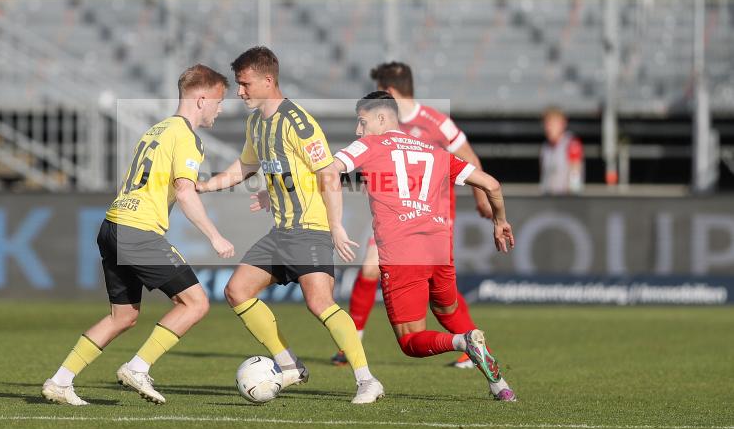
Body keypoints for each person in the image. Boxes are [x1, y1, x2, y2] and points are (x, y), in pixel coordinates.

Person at [197, 46, 385, 404]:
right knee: (237, 291)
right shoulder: (256, 123)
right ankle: (289, 365)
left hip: (309, 228)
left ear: (268, 81)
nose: (240, 92)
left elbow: (328, 174)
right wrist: (205, 185)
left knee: (319, 303)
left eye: (245, 83)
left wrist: (336, 227)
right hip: (280, 231)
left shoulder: (298, 123)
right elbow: (246, 167)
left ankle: (367, 380)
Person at [41, 64, 235, 406]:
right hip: (138, 230)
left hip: (113, 225)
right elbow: (185, 192)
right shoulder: (187, 137)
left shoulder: (155, 130)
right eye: (219, 100)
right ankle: (138, 366)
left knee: (124, 315)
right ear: (201, 98)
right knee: (195, 302)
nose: (221, 108)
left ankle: (60, 381)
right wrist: (215, 236)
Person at [330, 91, 517, 401]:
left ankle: (463, 343)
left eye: (362, 123)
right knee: (447, 308)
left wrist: (328, 217)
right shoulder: (434, 151)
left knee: (410, 340)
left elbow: (329, 170)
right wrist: (500, 221)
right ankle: (500, 386)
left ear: (381, 118)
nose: (358, 131)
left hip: (402, 254)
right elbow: (491, 184)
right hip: (439, 249)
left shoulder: (370, 145)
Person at [540, 107, 585, 194]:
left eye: (553, 124)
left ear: (563, 124)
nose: (549, 128)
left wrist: (571, 197)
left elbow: (575, 176)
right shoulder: (545, 148)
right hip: (548, 199)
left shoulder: (572, 144)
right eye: (547, 124)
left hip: (565, 200)